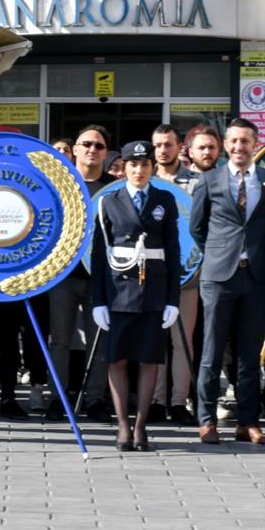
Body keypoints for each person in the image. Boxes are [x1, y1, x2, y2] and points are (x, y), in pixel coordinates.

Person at [90, 141, 181, 452]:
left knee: (149, 360)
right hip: (118, 290)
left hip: (153, 291)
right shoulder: (108, 202)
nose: (139, 170)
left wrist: (173, 300)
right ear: (123, 168)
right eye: (133, 165)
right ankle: (123, 426)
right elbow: (99, 254)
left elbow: (173, 251)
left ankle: (141, 426)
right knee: (116, 359)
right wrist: (98, 300)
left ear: (151, 167)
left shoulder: (164, 200)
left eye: (144, 165)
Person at [191, 118, 264, 445]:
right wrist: (220, 251)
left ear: (254, 144)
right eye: (233, 141)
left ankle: (248, 421)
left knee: (249, 354)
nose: (239, 147)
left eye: (245, 141)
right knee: (211, 350)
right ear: (226, 144)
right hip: (219, 276)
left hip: (256, 276)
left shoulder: (263, 180)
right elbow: (197, 228)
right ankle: (207, 420)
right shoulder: (209, 180)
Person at [45, 124, 112, 422]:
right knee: (59, 339)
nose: (92, 150)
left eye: (98, 146)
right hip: (64, 276)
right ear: (74, 149)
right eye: (86, 144)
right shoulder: (58, 186)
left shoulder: (114, 189)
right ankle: (57, 398)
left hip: (101, 278)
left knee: (99, 341)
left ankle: (95, 399)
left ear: (106, 152)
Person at [149, 123, 199, 426]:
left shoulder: (197, 182)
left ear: (180, 146)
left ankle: (179, 402)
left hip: (188, 275)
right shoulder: (146, 181)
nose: (162, 150)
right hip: (154, 274)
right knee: (156, 340)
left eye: (168, 144)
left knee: (183, 341)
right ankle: (156, 401)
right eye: (158, 145)